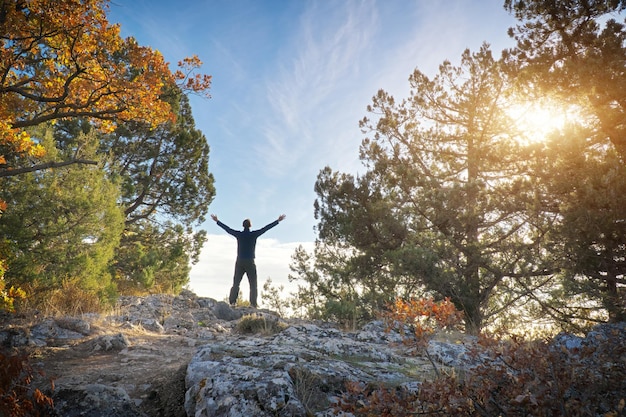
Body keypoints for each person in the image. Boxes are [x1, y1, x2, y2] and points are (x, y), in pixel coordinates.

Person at [211, 213, 286, 307]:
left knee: (236, 283)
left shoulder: (239, 234)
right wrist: (277, 221)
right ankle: (253, 304)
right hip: (250, 261)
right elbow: (265, 228)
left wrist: (217, 221)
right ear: (250, 226)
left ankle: (233, 302)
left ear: (243, 226)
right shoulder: (254, 234)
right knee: (253, 284)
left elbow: (228, 230)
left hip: (240, 261)